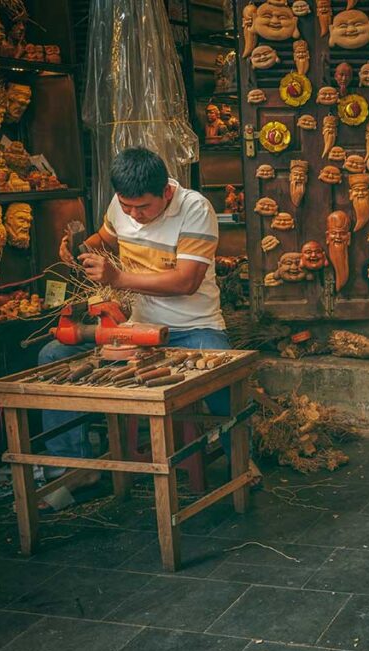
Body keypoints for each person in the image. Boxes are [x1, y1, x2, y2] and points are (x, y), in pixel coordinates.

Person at [36, 147, 228, 508]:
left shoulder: (195, 208)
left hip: (192, 327)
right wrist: (81, 251)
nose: (134, 215)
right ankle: (76, 469)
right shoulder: (120, 206)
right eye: (127, 207)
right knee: (53, 356)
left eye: (143, 207)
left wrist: (119, 277)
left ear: (166, 193)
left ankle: (240, 463)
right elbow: (103, 240)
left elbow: (186, 281)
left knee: (223, 375)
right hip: (134, 328)